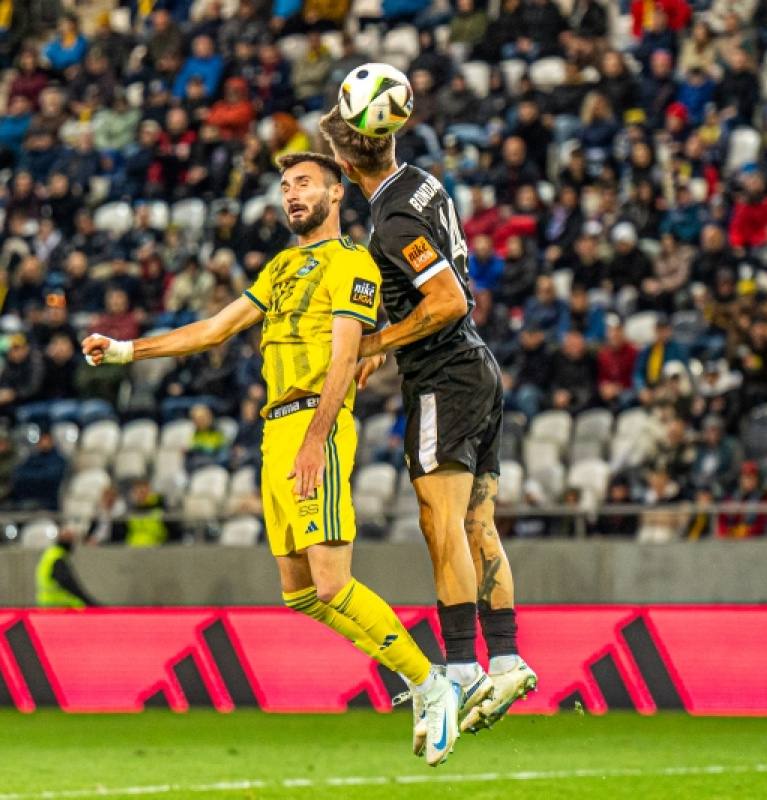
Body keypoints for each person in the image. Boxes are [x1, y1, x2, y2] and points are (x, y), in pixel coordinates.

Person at [82, 152, 459, 768]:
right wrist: (125, 350)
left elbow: (344, 357)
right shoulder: (283, 265)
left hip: (317, 424)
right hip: (274, 434)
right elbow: (212, 329)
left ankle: (430, 680)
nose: (291, 195)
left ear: (336, 195)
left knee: (333, 581)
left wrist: (316, 438)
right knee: (301, 594)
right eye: (285, 186)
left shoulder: (353, 263)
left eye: (304, 183)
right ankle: (421, 679)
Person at [319, 107, 537, 743]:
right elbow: (434, 287)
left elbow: (446, 300)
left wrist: (378, 340)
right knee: (476, 522)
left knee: (440, 522)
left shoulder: (391, 220)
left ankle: (463, 669)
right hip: (479, 368)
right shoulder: (420, 181)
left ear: (342, 167)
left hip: (444, 375)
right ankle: (505, 658)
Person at [36, 527, 99, 608]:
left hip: (47, 606)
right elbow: (69, 584)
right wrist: (90, 603)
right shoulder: (57, 558)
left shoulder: (49, 554)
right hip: (58, 608)